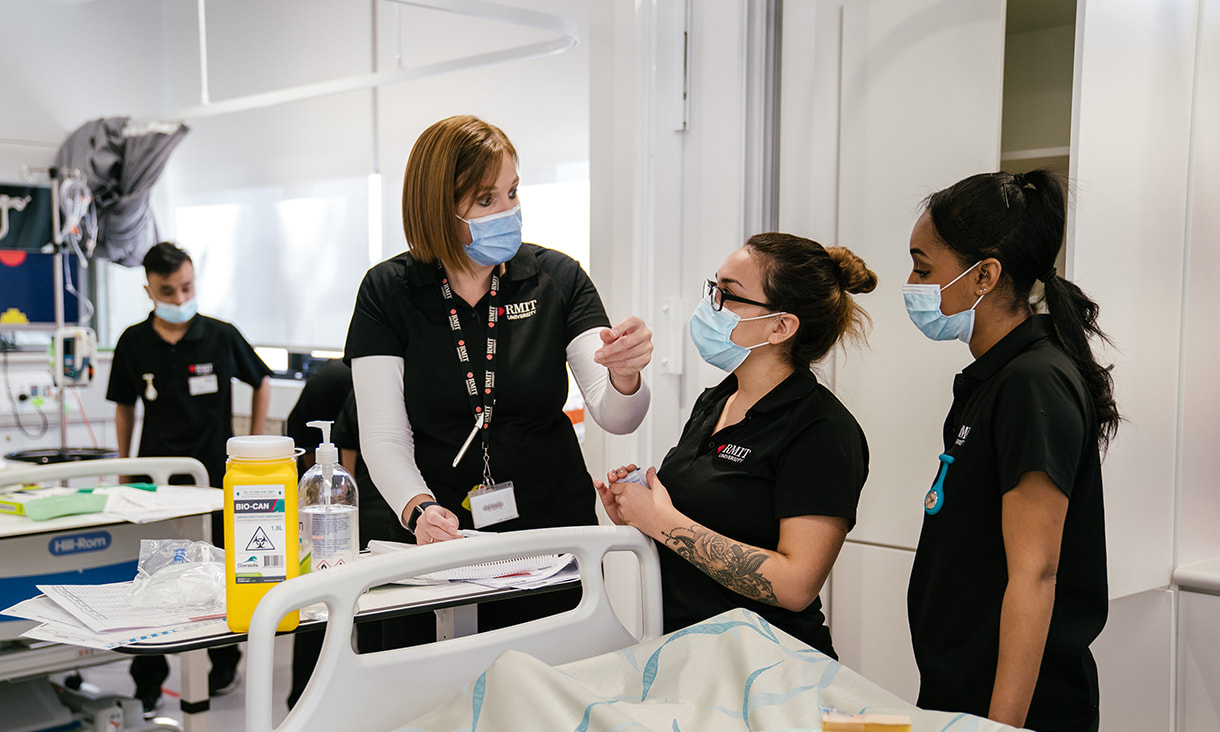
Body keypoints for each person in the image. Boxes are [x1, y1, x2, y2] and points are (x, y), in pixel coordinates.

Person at [343, 115, 652, 634]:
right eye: (486, 200)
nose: (507, 212)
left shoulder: (557, 278)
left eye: (512, 193)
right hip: (426, 521)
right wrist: (419, 509)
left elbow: (614, 416)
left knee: (540, 689)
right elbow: (382, 435)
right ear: (438, 206)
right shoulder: (388, 291)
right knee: (423, 693)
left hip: (546, 523)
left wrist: (625, 376)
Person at [902, 170, 1116, 732]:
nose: (911, 282)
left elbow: (1037, 574)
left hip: (1015, 710)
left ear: (985, 275)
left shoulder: (1033, 383)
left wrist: (999, 728)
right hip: (962, 691)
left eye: (924, 269)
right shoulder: (995, 378)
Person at [595, 233, 875, 658]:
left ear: (781, 326)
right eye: (714, 289)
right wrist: (639, 510)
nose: (712, 306)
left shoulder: (822, 429)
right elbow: (699, 522)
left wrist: (663, 523)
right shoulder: (718, 400)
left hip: (771, 668)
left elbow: (797, 585)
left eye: (729, 295)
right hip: (690, 658)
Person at [106, 241, 273, 716]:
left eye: (187, 287)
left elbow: (260, 380)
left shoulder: (220, 336)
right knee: (151, 577)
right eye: (167, 290)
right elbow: (124, 406)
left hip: (216, 481)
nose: (180, 298)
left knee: (223, 571)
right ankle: (148, 678)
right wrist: (123, 468)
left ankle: (223, 663)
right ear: (148, 290)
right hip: (156, 482)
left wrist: (254, 445)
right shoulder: (134, 342)